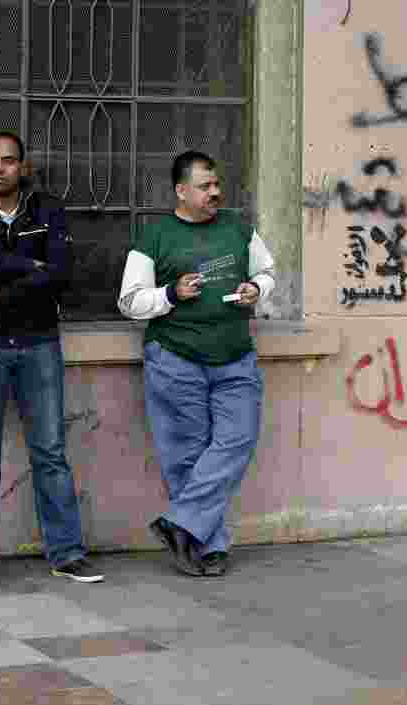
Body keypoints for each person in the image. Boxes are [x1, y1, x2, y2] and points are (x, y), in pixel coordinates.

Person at [0, 131, 104, 593]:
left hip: (38, 342)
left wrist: (3, 290)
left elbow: (62, 272)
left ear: (23, 166)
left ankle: (67, 554)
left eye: (8, 161)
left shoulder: (48, 210)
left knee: (51, 451)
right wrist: (29, 268)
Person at [117, 150, 275, 577]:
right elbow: (129, 302)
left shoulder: (239, 230)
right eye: (205, 186)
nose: (215, 193)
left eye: (216, 184)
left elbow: (268, 273)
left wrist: (255, 290)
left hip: (235, 355)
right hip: (176, 358)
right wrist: (170, 294)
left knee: (237, 440)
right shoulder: (155, 237)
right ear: (181, 191)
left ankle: (180, 522)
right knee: (186, 455)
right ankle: (207, 546)